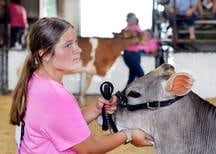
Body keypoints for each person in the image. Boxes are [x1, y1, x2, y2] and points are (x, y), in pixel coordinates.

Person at [9, 17, 153, 153]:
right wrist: (128, 135)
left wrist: (96, 109)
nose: (78, 49)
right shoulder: (56, 97)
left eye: (76, 42)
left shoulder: (36, 80)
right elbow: (90, 148)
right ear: (44, 54)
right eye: (68, 45)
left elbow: (64, 123)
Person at [122, 13, 145, 85]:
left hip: (136, 53)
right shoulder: (126, 30)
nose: (134, 20)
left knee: (132, 75)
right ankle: (146, 91)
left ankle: (125, 94)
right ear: (128, 20)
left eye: (135, 19)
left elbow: (142, 39)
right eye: (133, 18)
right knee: (140, 74)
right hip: (129, 54)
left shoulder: (136, 28)